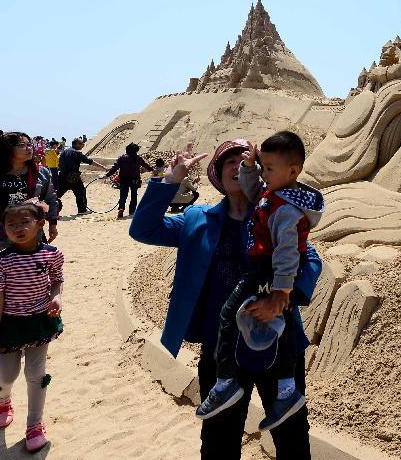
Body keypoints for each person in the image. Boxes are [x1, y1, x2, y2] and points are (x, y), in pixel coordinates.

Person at [129, 140, 322, 459]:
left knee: (292, 437)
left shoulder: (274, 212)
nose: (236, 165)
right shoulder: (196, 218)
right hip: (222, 352)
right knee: (219, 440)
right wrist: (172, 180)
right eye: (227, 161)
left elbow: (310, 258)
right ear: (218, 175)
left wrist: (282, 297)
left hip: (276, 341)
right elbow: (143, 229)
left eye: (243, 160)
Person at [197, 131, 324, 430]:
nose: (263, 175)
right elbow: (254, 186)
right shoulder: (272, 196)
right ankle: (280, 389)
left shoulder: (285, 209)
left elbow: (293, 253)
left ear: (292, 171)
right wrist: (251, 167)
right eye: (229, 163)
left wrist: (282, 292)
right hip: (260, 277)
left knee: (245, 316)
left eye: (268, 168)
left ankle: (238, 384)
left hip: (264, 274)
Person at [0, 198, 64, 453]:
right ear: (3, 228)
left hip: (39, 323)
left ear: (39, 224)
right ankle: (2, 400)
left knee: (36, 375)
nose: (17, 228)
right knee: (7, 374)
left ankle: (34, 425)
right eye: (10, 224)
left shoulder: (52, 254)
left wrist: (56, 296)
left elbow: (57, 279)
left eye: (24, 222)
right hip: (7, 325)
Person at [0, 132, 60, 260]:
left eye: (29, 144)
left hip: (31, 236)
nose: (29, 148)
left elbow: (51, 199)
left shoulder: (41, 173)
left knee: (31, 275)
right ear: (7, 149)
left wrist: (52, 223)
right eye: (22, 145)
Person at [57, 138, 107, 215]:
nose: (83, 145)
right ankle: (82, 210)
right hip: (72, 176)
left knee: (58, 194)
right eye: (81, 144)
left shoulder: (64, 152)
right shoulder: (76, 153)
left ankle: (48, 209)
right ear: (76, 144)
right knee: (80, 192)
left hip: (62, 175)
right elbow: (89, 161)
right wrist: (102, 167)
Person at [103, 143, 153, 219]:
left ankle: (121, 208)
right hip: (135, 180)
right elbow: (146, 165)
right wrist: (153, 170)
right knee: (134, 195)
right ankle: (132, 211)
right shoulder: (138, 158)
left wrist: (107, 175)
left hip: (124, 179)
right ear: (136, 150)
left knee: (123, 195)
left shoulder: (122, 158)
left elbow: (115, 167)